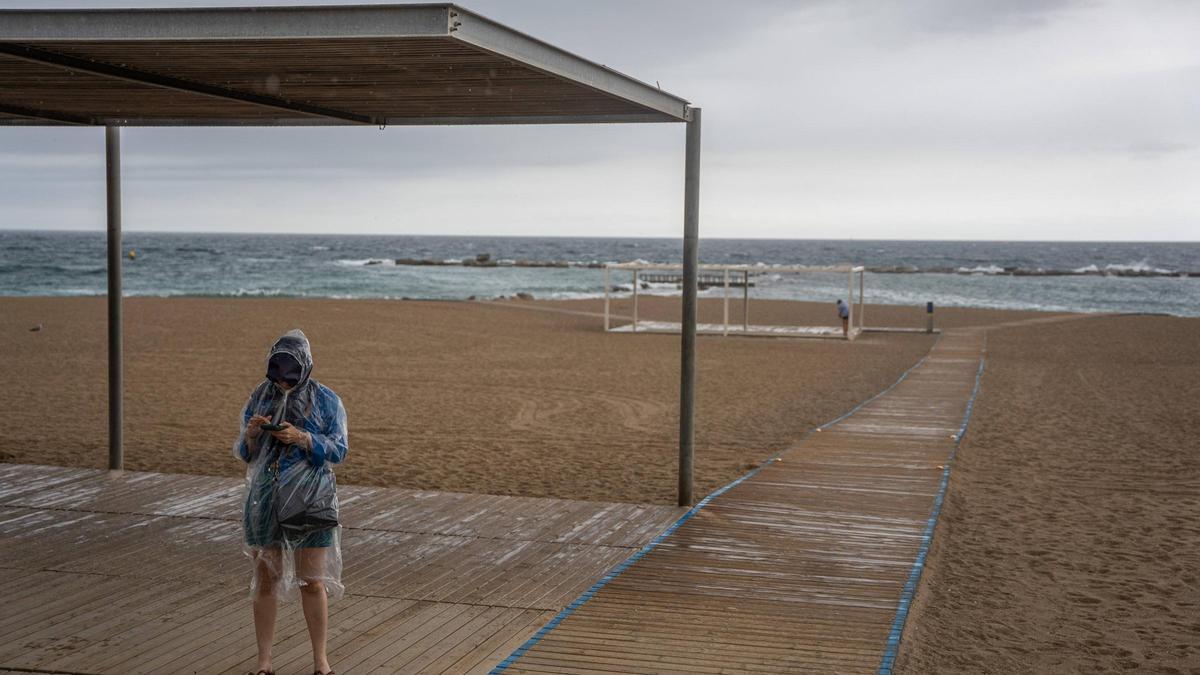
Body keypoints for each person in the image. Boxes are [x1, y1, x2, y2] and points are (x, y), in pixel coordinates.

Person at [234, 329, 348, 675]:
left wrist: (303, 438)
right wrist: (252, 435)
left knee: (312, 581)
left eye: (291, 376)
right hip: (265, 498)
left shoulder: (328, 400)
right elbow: (244, 453)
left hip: (310, 498)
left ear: (306, 369)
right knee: (266, 579)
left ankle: (320, 662)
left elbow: (339, 449)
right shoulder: (260, 396)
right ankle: (264, 663)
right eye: (278, 375)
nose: (283, 383)